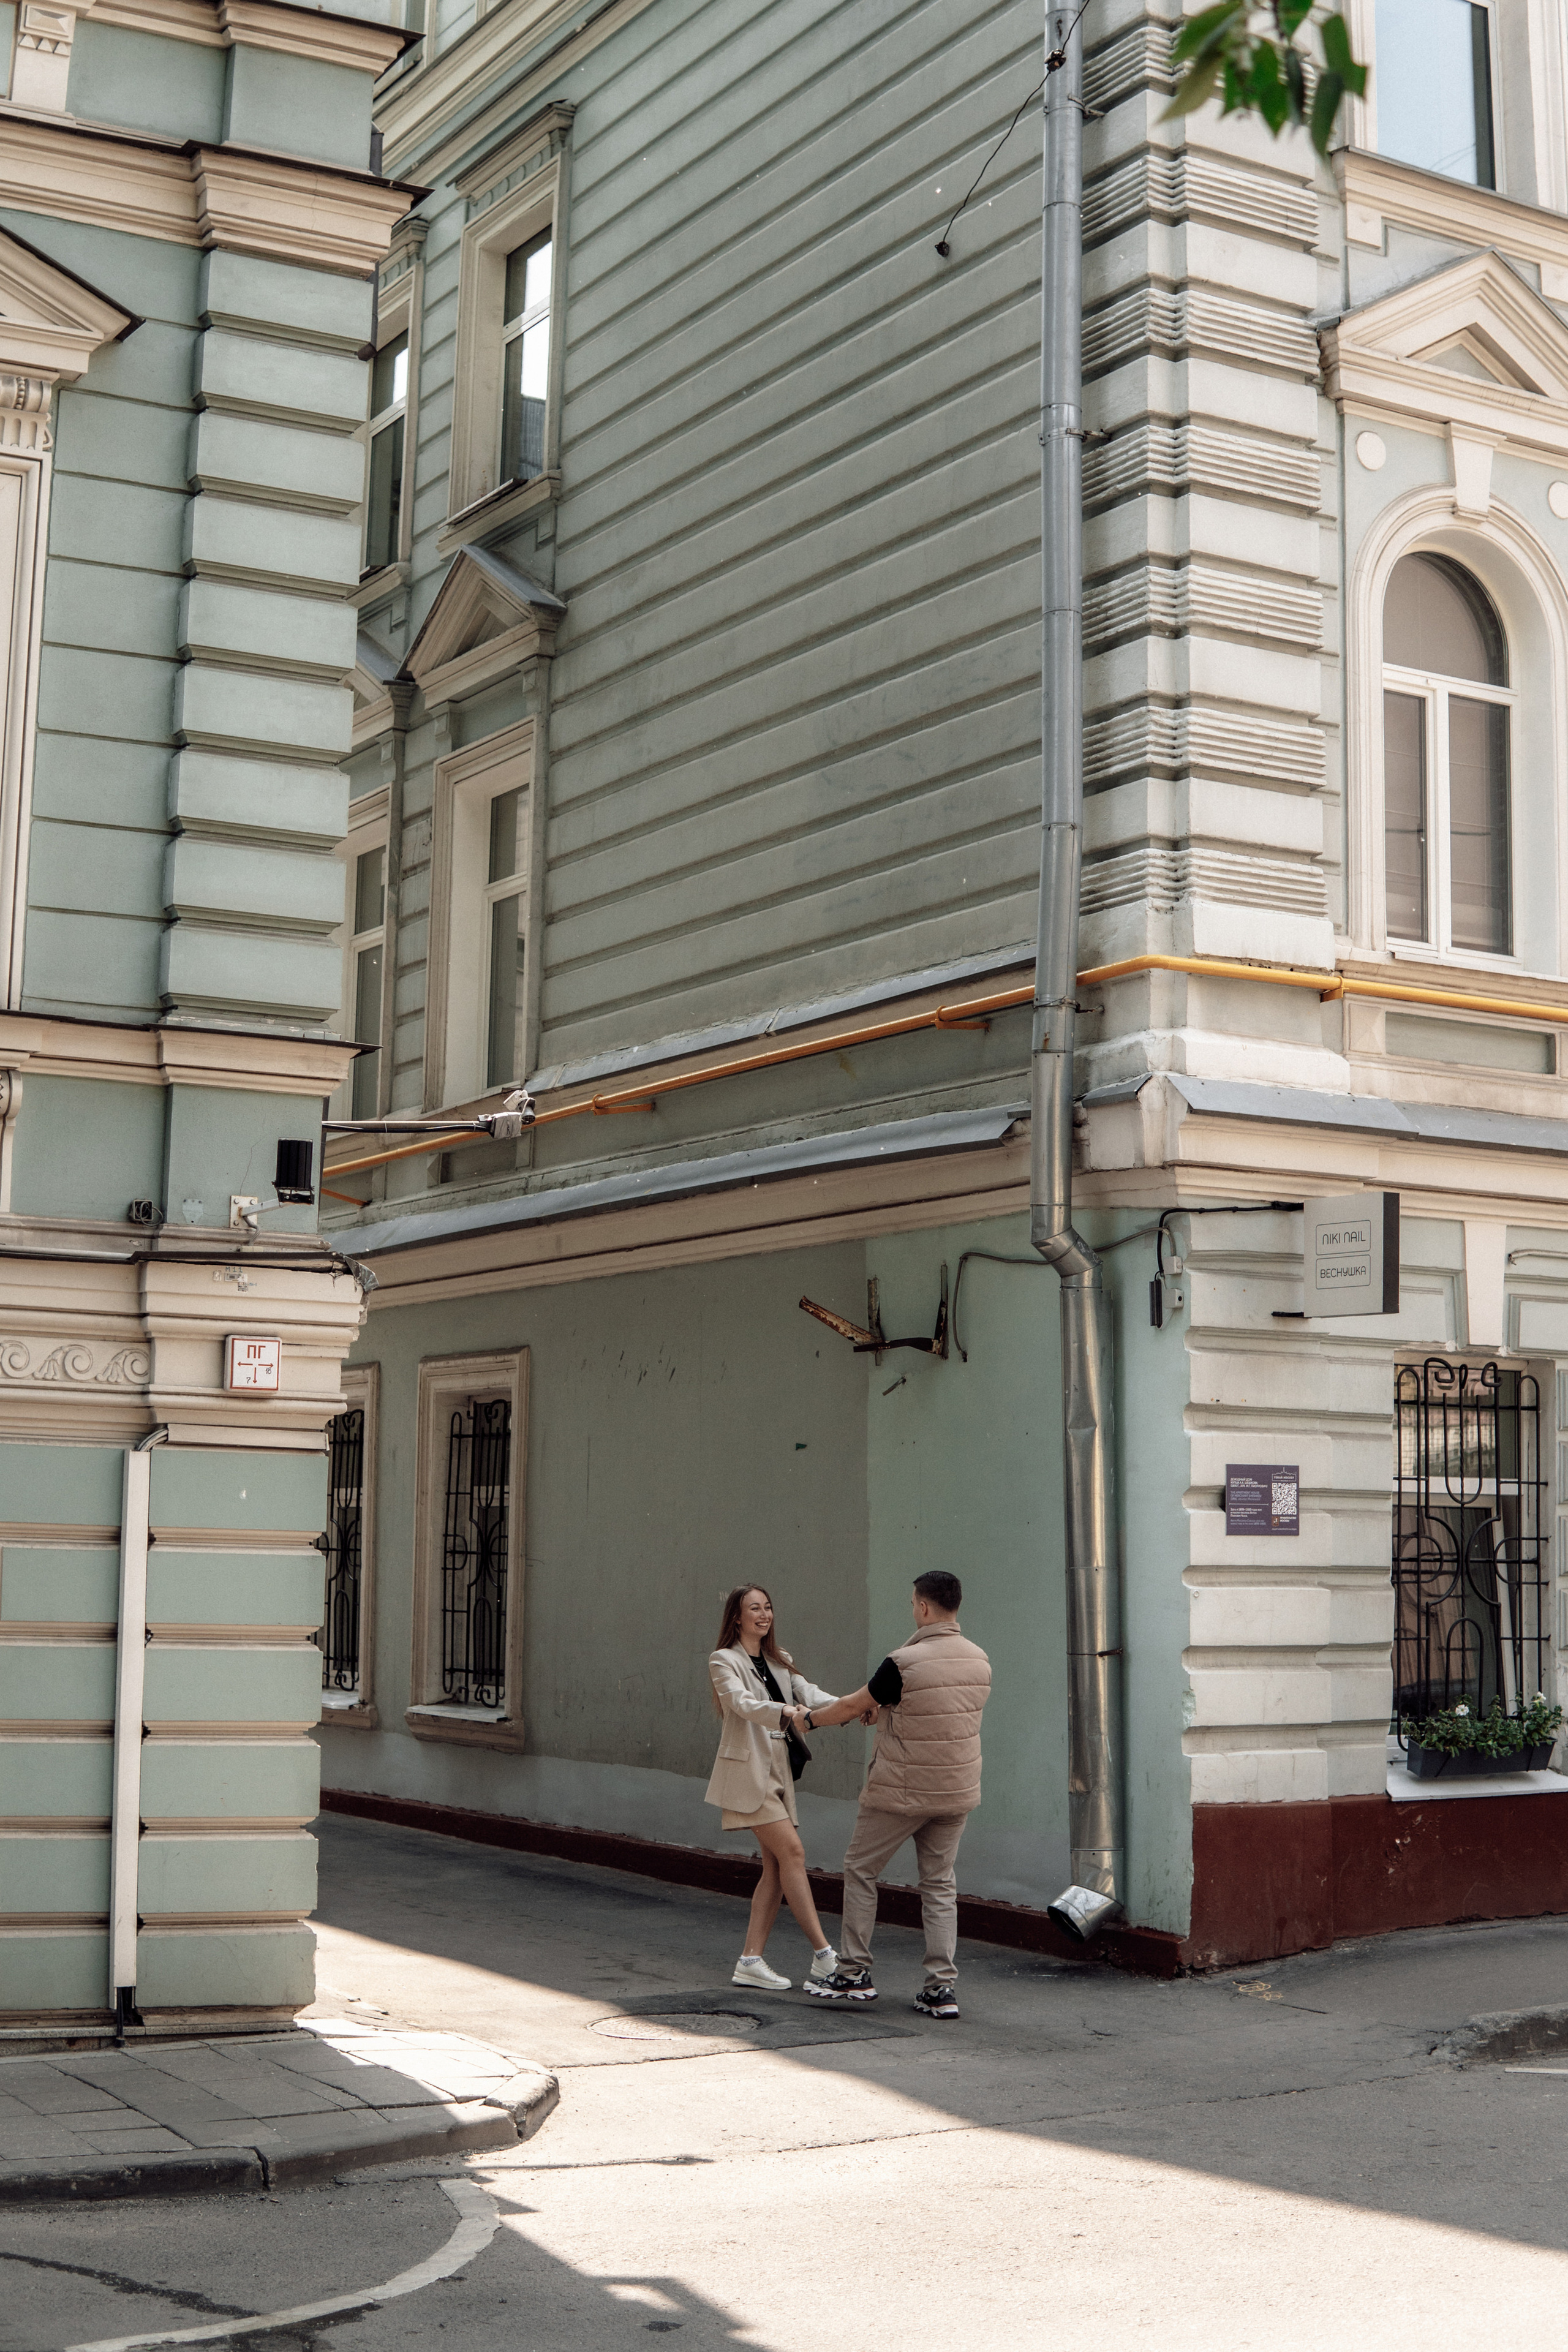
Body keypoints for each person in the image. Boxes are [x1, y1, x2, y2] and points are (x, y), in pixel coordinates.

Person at [805, 1569, 990, 2019]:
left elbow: (854, 1705)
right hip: (956, 1792)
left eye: (913, 1603)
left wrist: (808, 1721)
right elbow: (935, 1713)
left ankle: (853, 1973)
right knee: (940, 1885)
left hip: (901, 1792)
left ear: (923, 1607)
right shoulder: (979, 1660)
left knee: (862, 1869)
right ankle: (940, 1989)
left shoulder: (903, 1662)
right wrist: (886, 1712)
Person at [706, 1583, 843, 1992]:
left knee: (775, 1867)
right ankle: (824, 1957)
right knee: (794, 1853)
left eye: (768, 1607)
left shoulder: (779, 1660)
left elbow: (812, 1695)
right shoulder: (723, 1660)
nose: (764, 1615)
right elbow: (742, 1703)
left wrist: (856, 1704)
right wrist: (786, 1712)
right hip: (750, 1773)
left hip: (780, 1771)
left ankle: (750, 1960)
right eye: (754, 1608)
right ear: (737, 1617)